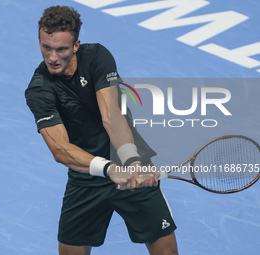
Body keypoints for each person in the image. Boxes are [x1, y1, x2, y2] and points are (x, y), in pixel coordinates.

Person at [25, 5, 178, 255]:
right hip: (86, 176)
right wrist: (109, 169)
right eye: (46, 47)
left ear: (76, 45)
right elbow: (60, 149)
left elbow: (111, 116)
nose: (52, 57)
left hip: (130, 162)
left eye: (61, 49)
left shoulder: (97, 56)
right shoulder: (39, 90)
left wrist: (132, 162)